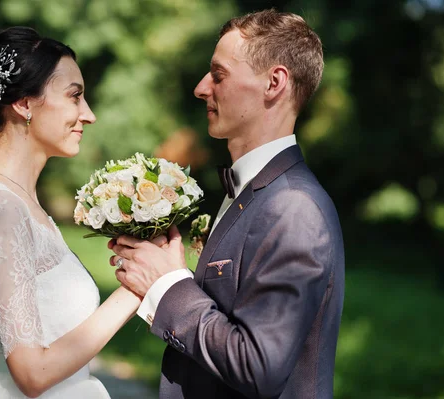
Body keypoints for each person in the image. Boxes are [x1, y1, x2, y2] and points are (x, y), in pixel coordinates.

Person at [109, 10, 345, 399]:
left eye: (218, 75)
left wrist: (167, 285)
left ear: (274, 83)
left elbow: (259, 366)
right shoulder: (252, 193)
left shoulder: (294, 208)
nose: (202, 88)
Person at [0, 27, 142, 399]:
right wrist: (135, 289)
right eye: (75, 96)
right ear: (24, 103)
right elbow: (31, 372)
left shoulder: (18, 201)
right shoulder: (2, 210)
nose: (88, 115)